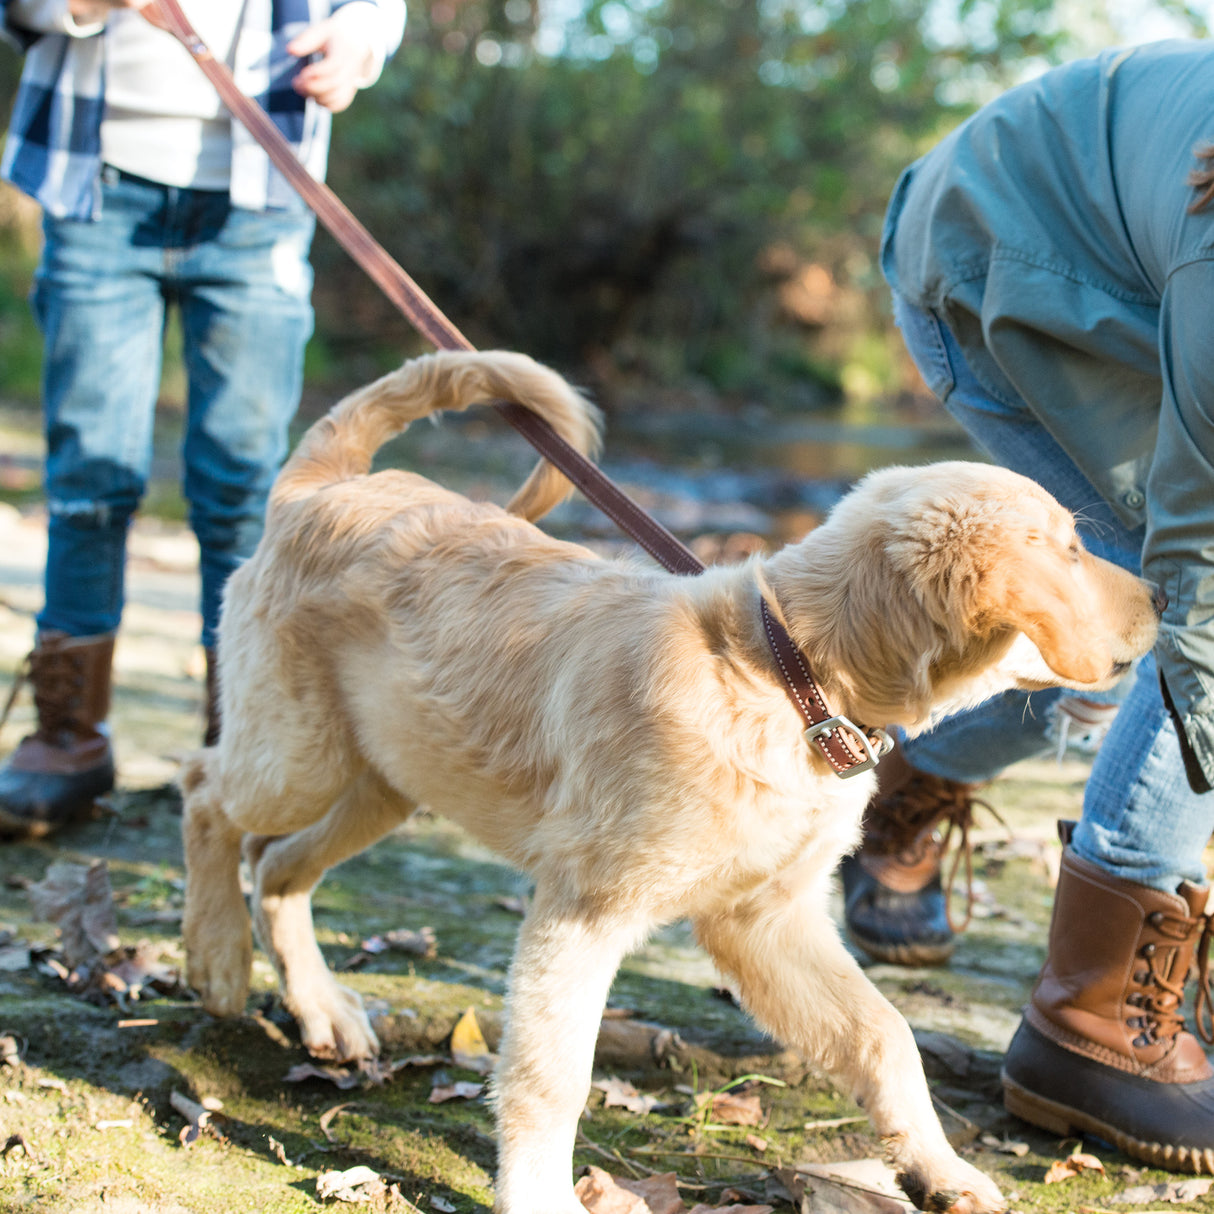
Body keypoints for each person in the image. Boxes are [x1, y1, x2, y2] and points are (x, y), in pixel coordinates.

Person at [854, 38, 1214, 1171]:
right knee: (1153, 604)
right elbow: (1195, 576)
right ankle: (1088, 1022)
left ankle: (905, 767)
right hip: (991, 260)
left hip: (1120, 281)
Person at [0, 0, 406, 837]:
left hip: (260, 192)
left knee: (245, 488)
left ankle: (246, 737)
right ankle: (68, 736)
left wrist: (358, 41)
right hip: (96, 181)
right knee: (91, 475)